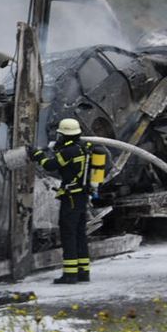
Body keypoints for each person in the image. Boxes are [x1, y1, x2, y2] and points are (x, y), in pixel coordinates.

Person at [28, 118, 100, 284]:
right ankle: (83, 272)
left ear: (65, 135)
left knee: (68, 234)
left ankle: (70, 274)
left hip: (71, 198)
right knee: (80, 234)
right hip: (82, 196)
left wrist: (37, 154)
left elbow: (49, 165)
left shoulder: (68, 152)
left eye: (60, 135)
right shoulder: (83, 148)